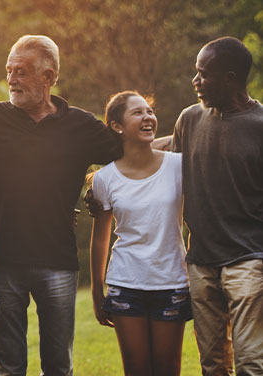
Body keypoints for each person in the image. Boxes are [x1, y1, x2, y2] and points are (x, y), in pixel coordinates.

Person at [0, 35, 121, 375]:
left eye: (21, 72)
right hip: (2, 260)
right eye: (9, 70)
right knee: (8, 365)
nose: (12, 79)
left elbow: (132, 154)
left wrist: (182, 141)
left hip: (58, 262)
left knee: (58, 366)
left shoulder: (80, 125)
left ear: (49, 77)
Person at [169, 37, 263, 375]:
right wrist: (105, 179)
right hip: (201, 261)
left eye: (203, 74)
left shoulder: (260, 127)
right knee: (212, 364)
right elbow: (161, 168)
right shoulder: (189, 120)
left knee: (251, 361)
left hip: (249, 260)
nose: (195, 82)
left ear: (230, 78)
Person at [89, 91, 191, 375]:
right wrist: (98, 290)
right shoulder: (104, 178)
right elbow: (100, 238)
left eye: (150, 111)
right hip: (126, 282)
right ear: (116, 126)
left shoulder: (178, 166)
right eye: (138, 113)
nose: (148, 117)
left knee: (168, 368)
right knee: (136, 368)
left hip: (171, 280)